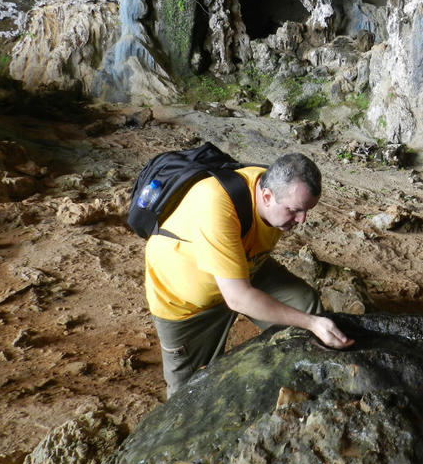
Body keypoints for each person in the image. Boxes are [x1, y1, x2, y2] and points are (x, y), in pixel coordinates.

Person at [144, 152, 354, 398]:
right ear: (266, 196)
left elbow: (239, 290)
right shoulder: (216, 207)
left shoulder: (272, 188)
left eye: (307, 210)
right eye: (295, 211)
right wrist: (311, 323)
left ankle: (297, 384)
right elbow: (238, 297)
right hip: (188, 303)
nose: (302, 220)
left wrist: (310, 320)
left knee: (305, 306)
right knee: (189, 394)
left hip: (244, 265)